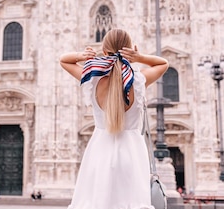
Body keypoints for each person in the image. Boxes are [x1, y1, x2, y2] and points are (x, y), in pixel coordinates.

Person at [59, 28, 169, 209]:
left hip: (100, 150)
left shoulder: (92, 80)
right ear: (129, 50)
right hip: (132, 152)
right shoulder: (138, 81)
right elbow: (163, 64)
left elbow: (64, 60)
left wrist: (82, 55)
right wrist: (139, 57)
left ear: (104, 50)